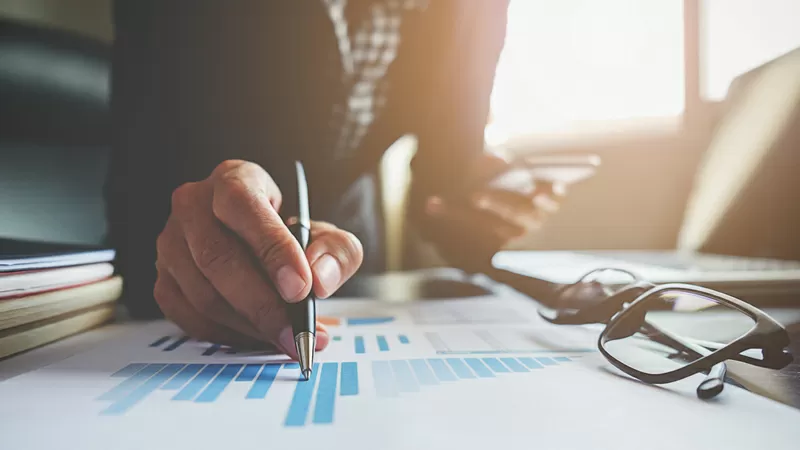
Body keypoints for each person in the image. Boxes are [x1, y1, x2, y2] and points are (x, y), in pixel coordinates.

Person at [106, 1, 563, 358]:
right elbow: (140, 151)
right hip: (200, 253)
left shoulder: (479, 7)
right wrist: (177, 238)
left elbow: (442, 189)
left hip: (357, 256)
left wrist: (486, 209)